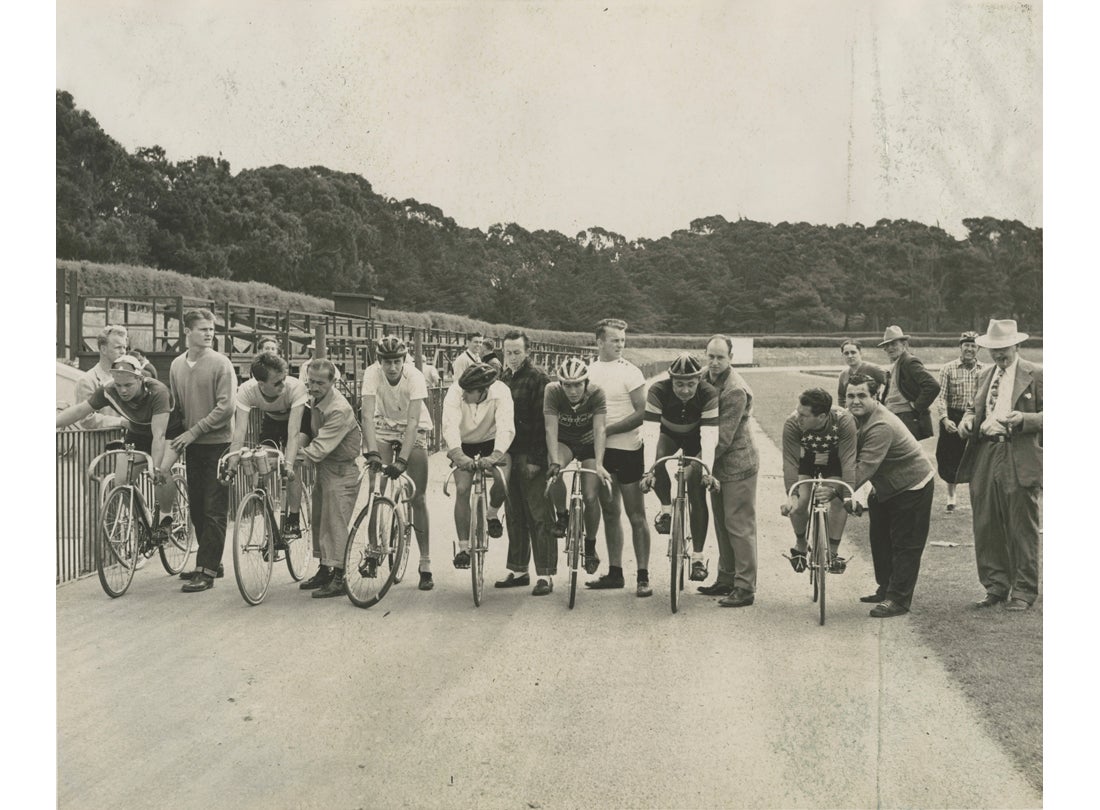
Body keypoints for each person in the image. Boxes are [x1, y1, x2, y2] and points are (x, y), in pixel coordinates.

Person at [956, 319, 1042, 611]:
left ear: (1016, 345)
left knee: (1021, 524)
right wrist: (968, 420)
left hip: (1017, 452)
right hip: (985, 452)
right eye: (994, 349)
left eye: (1004, 348)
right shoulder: (985, 374)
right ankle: (995, 587)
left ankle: (1023, 591)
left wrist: (1025, 420)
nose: (999, 354)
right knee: (986, 522)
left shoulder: (1036, 374)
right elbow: (973, 408)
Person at [56, 355, 183, 540]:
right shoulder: (108, 390)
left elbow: (159, 435)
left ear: (140, 379)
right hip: (138, 432)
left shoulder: (158, 392)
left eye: (128, 385)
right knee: (121, 481)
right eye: (119, 385)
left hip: (168, 432)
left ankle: (165, 518)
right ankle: (144, 522)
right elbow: (79, 411)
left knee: (161, 471)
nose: (122, 390)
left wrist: (155, 468)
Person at [845, 373, 936, 618]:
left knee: (906, 544)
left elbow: (864, 468)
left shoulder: (881, 425)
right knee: (880, 539)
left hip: (912, 485)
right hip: (884, 486)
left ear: (875, 397)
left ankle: (898, 599)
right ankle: (886, 588)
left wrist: (837, 491)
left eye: (862, 395)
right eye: (850, 396)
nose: (855, 401)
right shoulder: (852, 418)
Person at [584, 318, 653, 597]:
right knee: (610, 512)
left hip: (628, 450)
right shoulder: (589, 371)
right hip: (601, 452)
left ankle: (643, 576)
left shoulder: (631, 372)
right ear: (599, 341)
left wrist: (608, 430)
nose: (620, 345)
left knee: (636, 515)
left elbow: (642, 412)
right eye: (615, 340)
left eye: (623, 340)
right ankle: (615, 573)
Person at [361, 336, 436, 592]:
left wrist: (403, 460)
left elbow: (413, 422)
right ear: (379, 361)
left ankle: (425, 563)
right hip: (384, 425)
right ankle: (373, 552)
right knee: (375, 491)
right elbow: (367, 416)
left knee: (418, 497)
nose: (392, 367)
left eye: (396, 362)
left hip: (412, 428)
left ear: (404, 360)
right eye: (387, 362)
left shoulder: (414, 376)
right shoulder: (372, 374)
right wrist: (372, 452)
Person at [169, 309, 237, 592]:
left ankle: (206, 570)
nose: (209, 333)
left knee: (213, 508)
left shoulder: (221, 363)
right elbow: (177, 405)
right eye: (202, 329)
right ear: (188, 332)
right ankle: (210, 562)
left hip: (218, 444)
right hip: (192, 445)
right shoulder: (176, 365)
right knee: (196, 507)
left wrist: (194, 431)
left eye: (211, 329)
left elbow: (226, 407)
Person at [639, 354, 719, 582]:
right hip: (669, 435)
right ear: (670, 380)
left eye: (691, 384)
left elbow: (709, 436)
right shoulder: (657, 390)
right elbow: (650, 433)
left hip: (697, 438)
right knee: (658, 459)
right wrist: (648, 471)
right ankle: (666, 511)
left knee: (696, 484)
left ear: (699, 380)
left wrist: (707, 471)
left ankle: (698, 558)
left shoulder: (708, 393)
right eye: (679, 384)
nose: (685, 390)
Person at [697, 335, 760, 608]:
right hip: (716, 464)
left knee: (739, 525)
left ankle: (745, 587)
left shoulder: (735, 389)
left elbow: (722, 437)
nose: (714, 362)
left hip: (737, 464)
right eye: (710, 356)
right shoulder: (702, 377)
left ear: (730, 358)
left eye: (720, 357)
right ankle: (726, 578)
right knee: (722, 522)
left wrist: (698, 463)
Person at [495, 331, 557, 596]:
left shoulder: (538, 378)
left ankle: (545, 574)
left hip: (530, 454)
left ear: (527, 352)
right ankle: (519, 570)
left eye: (517, 352)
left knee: (539, 515)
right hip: (508, 454)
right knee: (514, 514)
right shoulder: (502, 378)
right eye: (507, 352)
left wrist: (537, 459)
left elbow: (545, 422)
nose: (511, 357)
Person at [297, 358, 363, 599]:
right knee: (320, 520)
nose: (314, 387)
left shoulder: (338, 409)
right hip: (325, 469)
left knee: (335, 523)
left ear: (333, 381)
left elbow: (319, 447)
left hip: (341, 471)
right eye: (311, 382)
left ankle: (340, 577)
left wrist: (290, 459)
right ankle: (325, 569)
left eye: (320, 383)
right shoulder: (316, 400)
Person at [228, 352, 312, 539]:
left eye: (284, 379)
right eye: (277, 383)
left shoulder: (295, 387)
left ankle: (294, 519)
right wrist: (232, 461)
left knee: (294, 462)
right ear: (261, 384)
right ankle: (271, 530)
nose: (283, 385)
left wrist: (288, 465)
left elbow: (293, 433)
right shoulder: (247, 390)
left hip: (298, 421)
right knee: (260, 466)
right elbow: (239, 431)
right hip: (272, 421)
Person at [442, 363, 514, 568]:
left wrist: (496, 455)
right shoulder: (455, 391)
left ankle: (492, 513)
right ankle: (464, 548)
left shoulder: (501, 391)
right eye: (463, 389)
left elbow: (506, 426)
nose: (464, 394)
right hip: (464, 443)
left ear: (483, 391)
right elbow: (450, 425)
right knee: (462, 489)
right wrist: (457, 454)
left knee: (503, 479)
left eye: (469, 392)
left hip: (491, 441)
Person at [780, 388, 858, 575]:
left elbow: (848, 460)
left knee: (838, 500)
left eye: (804, 415)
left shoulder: (844, 420)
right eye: (798, 411)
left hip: (834, 460)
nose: (798, 417)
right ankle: (800, 545)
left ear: (822, 417)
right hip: (805, 460)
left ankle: (832, 552)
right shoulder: (792, 423)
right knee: (800, 504)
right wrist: (792, 495)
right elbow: (790, 462)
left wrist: (848, 495)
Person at [544, 357, 610, 575]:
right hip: (564, 442)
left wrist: (599, 464)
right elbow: (550, 429)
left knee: (590, 496)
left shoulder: (597, 393)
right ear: (560, 384)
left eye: (577, 385)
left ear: (586, 382)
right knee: (553, 470)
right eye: (567, 385)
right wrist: (555, 461)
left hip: (589, 443)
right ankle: (562, 515)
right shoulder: (552, 391)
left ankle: (590, 546)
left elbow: (600, 429)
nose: (572, 391)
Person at [933, 331, 984, 512]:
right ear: (960, 347)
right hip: (953, 417)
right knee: (950, 457)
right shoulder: (948, 368)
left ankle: (975, 496)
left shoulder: (984, 370)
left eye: (973, 346)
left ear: (978, 348)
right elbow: (941, 397)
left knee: (976, 458)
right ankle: (951, 496)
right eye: (966, 345)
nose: (969, 349)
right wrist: (944, 419)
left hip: (976, 418)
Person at [877, 325, 941, 440]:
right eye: (886, 345)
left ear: (904, 344)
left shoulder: (909, 361)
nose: (890, 348)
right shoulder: (896, 363)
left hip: (907, 418)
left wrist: (917, 406)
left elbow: (932, 386)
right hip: (893, 416)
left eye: (893, 344)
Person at [73, 325, 130, 430]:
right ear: (103, 349)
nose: (123, 351)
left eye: (124, 347)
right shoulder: (87, 381)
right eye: (118, 347)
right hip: (101, 440)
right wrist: (121, 422)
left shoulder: (128, 377)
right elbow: (86, 419)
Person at [836, 339, 885, 405]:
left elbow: (892, 385)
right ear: (842, 355)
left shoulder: (874, 369)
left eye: (853, 352)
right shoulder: (843, 375)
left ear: (860, 353)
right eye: (846, 353)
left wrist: (885, 403)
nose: (850, 356)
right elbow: (841, 397)